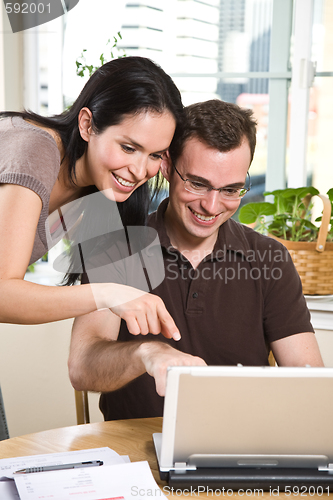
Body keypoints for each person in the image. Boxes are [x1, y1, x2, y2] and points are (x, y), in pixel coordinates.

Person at [68, 99, 324, 421]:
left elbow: (309, 383)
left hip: (238, 453)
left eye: (231, 189)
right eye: (198, 184)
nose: (212, 205)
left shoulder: (269, 258)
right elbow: (82, 368)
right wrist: (146, 352)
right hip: (133, 454)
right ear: (166, 165)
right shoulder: (117, 248)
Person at [0, 56, 184, 340]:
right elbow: (2, 293)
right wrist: (108, 292)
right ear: (87, 125)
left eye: (155, 155)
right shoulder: (35, 150)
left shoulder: (93, 192)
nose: (139, 171)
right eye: (128, 147)